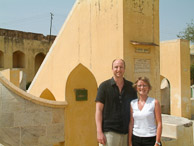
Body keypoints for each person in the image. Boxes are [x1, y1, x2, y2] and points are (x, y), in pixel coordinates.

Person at [95, 59, 137, 146]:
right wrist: (99, 131)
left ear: (124, 69)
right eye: (116, 67)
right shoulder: (104, 86)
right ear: (112, 69)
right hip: (109, 133)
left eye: (121, 67)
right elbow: (98, 110)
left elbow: (134, 111)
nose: (119, 69)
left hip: (126, 133)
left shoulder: (131, 87)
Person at [129, 77, 162, 146]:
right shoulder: (132, 103)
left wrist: (157, 142)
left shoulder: (154, 102)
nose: (142, 88)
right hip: (136, 139)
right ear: (136, 88)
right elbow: (131, 123)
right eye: (139, 86)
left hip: (150, 138)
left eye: (144, 85)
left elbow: (159, 123)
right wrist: (130, 142)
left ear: (149, 88)